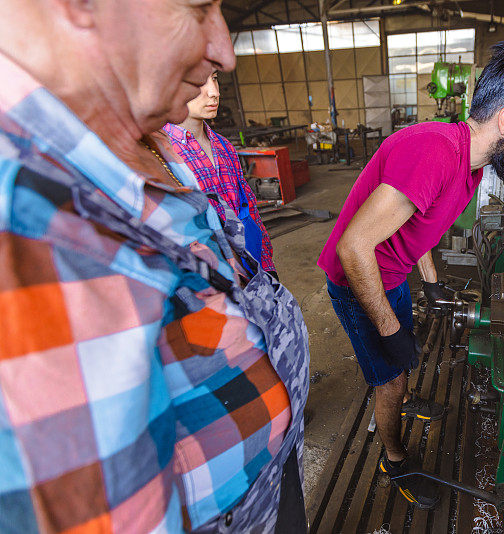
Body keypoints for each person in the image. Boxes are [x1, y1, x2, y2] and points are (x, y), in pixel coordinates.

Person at [0, 1, 308, 533]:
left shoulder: (129, 142)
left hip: (267, 487)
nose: (224, 52)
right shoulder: (30, 221)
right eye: (196, 8)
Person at [318, 41, 504, 508]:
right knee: (392, 377)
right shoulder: (432, 152)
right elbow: (353, 248)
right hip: (357, 281)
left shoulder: (471, 164)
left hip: (391, 276)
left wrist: (432, 279)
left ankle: (398, 399)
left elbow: (419, 227)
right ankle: (394, 460)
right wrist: (390, 326)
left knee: (402, 363)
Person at [164, 72, 278, 279]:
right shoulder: (163, 156)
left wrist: (266, 266)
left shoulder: (224, 146)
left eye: (214, 78)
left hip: (252, 273)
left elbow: (249, 212)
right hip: (209, 283)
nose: (214, 92)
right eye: (199, 81)